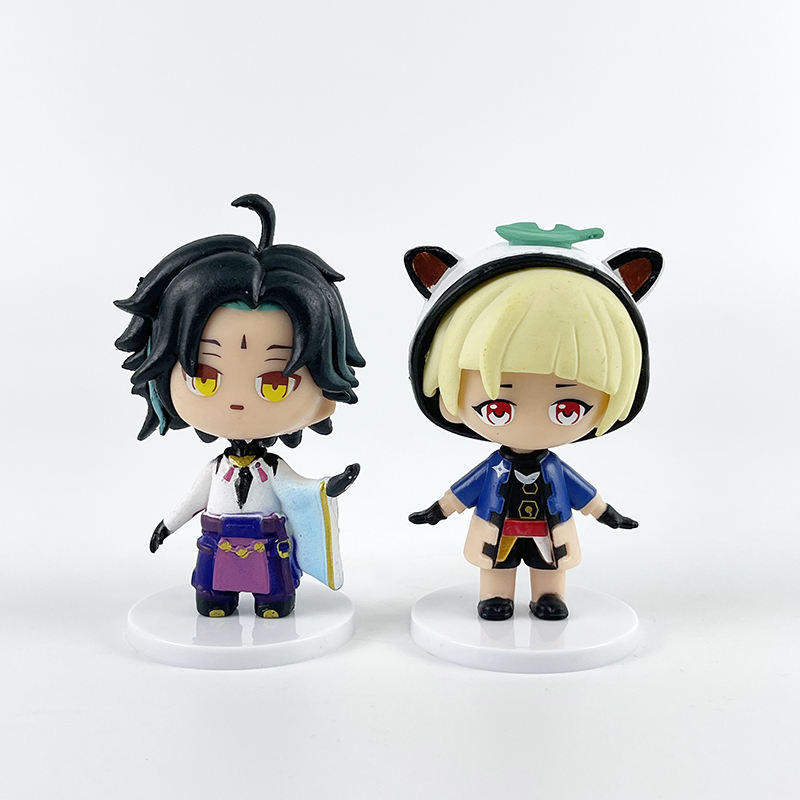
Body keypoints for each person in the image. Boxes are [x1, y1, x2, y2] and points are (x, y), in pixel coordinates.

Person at [115, 194, 364, 618]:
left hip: (266, 541)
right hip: (218, 540)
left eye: (275, 384)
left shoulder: (273, 471)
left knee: (273, 585)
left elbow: (299, 492)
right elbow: (193, 500)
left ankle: (272, 601)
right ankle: (217, 599)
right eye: (204, 377)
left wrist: (330, 487)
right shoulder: (215, 471)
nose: (235, 402)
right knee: (213, 584)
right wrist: (166, 526)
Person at [406, 222, 663, 621]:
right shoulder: (496, 468)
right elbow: (463, 490)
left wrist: (607, 513)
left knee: (550, 565)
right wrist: (437, 510)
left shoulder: (553, 469)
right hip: (499, 527)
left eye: (568, 408)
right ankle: (496, 596)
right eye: (497, 408)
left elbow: (584, 494)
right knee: (496, 564)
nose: (529, 420)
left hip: (549, 529)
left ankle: (549, 597)